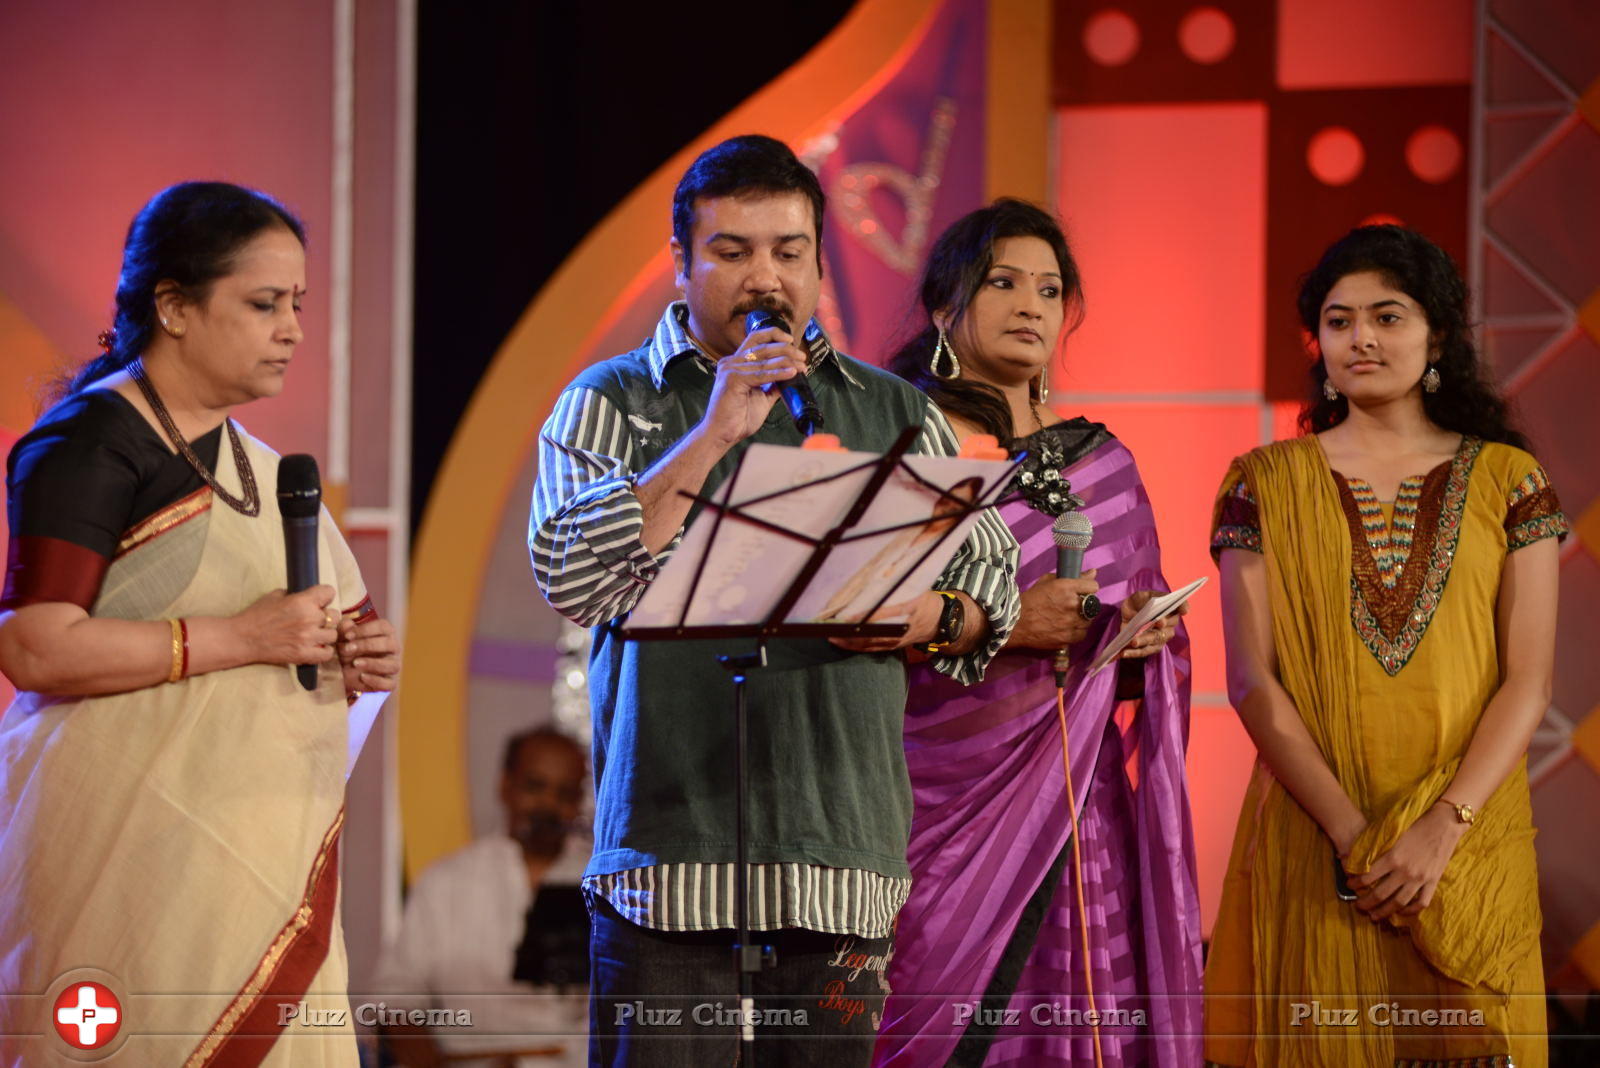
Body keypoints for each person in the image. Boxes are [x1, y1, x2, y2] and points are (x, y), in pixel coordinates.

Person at [528, 134, 1020, 1067]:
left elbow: (990, 573)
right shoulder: (609, 402)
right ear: (680, 265)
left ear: (820, 264)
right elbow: (571, 573)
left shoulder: (889, 408)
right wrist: (715, 431)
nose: (766, 279)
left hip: (840, 866)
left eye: (789, 253)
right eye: (732, 252)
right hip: (671, 875)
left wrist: (923, 617)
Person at [0, 181, 401, 1065]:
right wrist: (244, 638)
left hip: (250, 862)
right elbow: (34, 646)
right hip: (123, 863)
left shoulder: (262, 466)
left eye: (295, 303)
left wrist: (353, 655)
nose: (293, 328)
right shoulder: (86, 444)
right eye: (264, 304)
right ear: (173, 307)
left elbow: (313, 642)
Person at [1203, 224, 1563, 1068]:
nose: (1361, 337)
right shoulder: (1263, 481)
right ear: (1317, 341)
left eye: (1387, 316)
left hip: (1469, 842)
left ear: (1435, 335)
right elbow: (1254, 681)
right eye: (1338, 320)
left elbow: (1530, 681)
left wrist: (1442, 827)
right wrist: (1356, 841)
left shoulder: (1511, 479)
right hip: (1320, 842)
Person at [875, 198, 1202, 1066]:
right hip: (941, 806)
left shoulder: (1106, 464)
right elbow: (857, 620)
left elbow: (1151, 639)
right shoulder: (909, 449)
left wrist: (1142, 638)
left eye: (1050, 290)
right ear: (946, 308)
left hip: (1082, 811)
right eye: (1004, 282)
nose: (1031, 305)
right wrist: (1013, 626)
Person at [374, 728, 591, 1068]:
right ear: (505, 785)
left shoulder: (603, 887)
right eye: (535, 787)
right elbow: (395, 995)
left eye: (564, 793)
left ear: (578, 802)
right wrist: (412, 1043)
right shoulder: (445, 882)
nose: (549, 805)